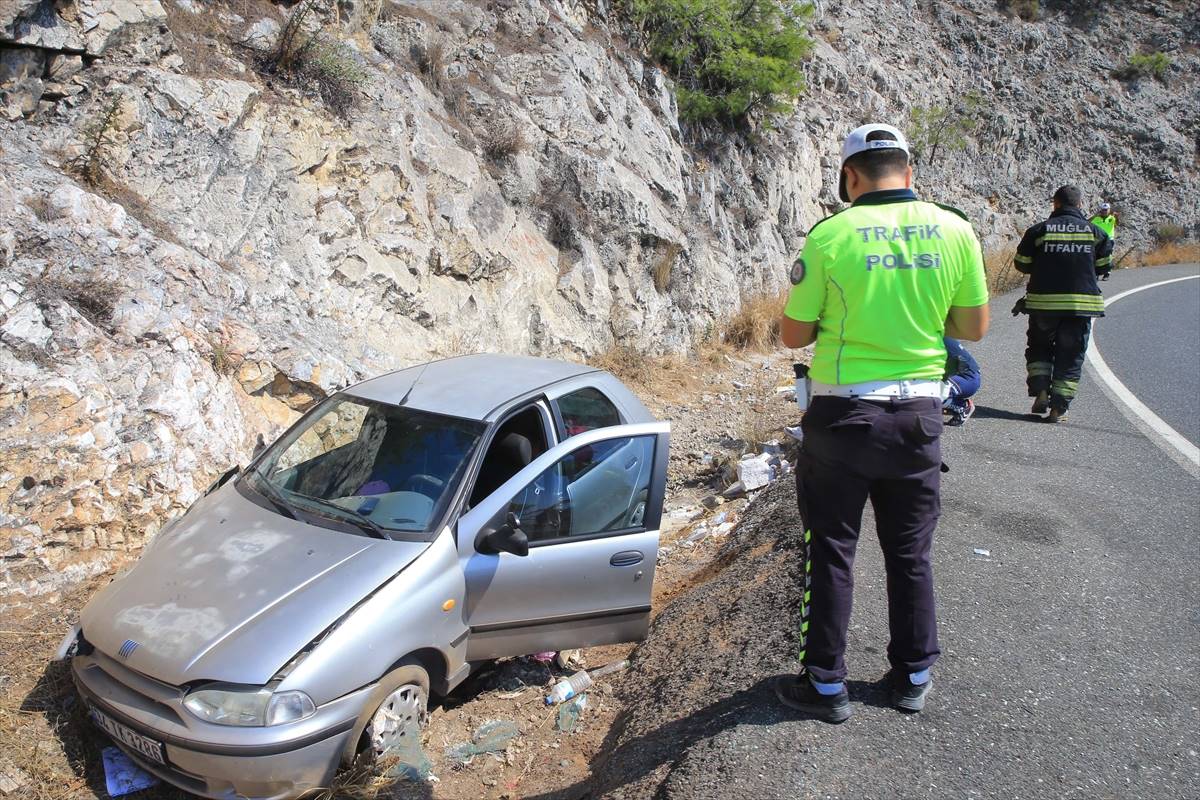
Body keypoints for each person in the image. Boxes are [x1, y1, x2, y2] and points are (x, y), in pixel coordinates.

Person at [775, 123, 990, 722]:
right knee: (911, 551)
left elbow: (794, 333)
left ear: (849, 178)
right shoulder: (955, 230)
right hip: (919, 415)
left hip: (843, 415)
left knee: (833, 549)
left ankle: (825, 685)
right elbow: (972, 329)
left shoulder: (830, 236)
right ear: (909, 173)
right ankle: (913, 673)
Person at [1014, 185, 1113, 423]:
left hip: (1043, 306)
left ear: (1055, 204)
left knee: (1039, 347)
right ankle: (1058, 408)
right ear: (1080, 205)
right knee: (1071, 354)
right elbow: (1103, 267)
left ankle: (1041, 391)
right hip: (1080, 307)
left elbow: (1022, 263)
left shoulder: (1039, 231)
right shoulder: (1096, 232)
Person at [942, 336, 980, 426]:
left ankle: (962, 407)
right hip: (955, 375)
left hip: (967, 378)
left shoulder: (930, 336)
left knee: (926, 390)